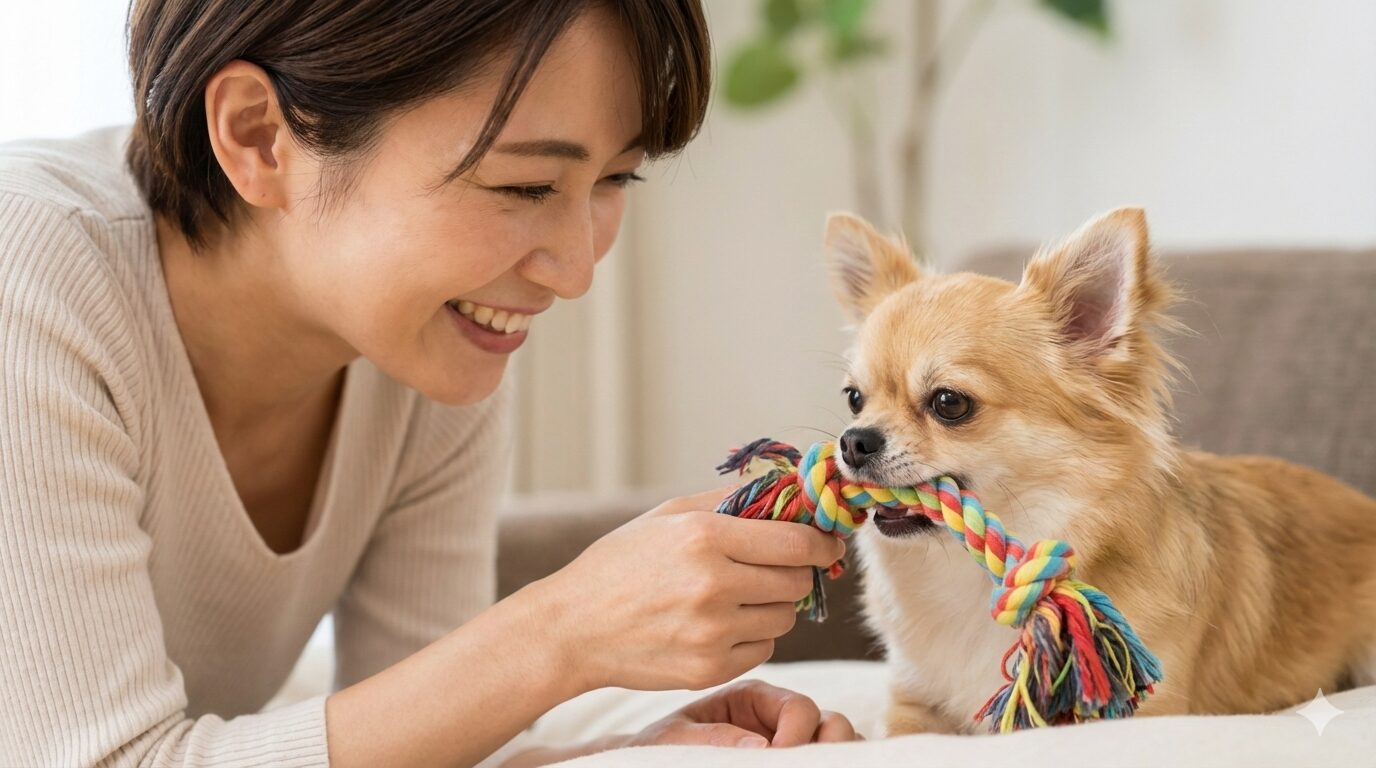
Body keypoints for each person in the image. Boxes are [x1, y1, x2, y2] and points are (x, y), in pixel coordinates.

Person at [0, 1, 862, 765]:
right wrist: (559, 631)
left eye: (611, 180)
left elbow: (418, 742)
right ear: (260, 135)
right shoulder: (31, 274)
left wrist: (614, 755)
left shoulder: (429, 340)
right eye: (522, 184)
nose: (572, 271)